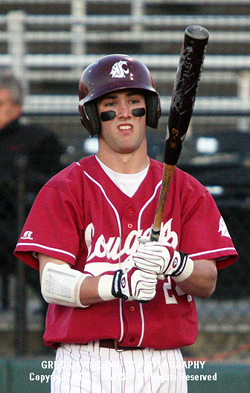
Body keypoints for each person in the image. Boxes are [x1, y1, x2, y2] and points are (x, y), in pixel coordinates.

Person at [14, 54, 238, 393]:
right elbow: (53, 283)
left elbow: (207, 281)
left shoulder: (187, 190)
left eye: (134, 101)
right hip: (85, 365)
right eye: (111, 102)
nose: (124, 112)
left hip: (163, 365)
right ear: (91, 115)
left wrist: (176, 264)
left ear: (149, 110)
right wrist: (116, 284)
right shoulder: (64, 188)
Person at [0, 70, 64, 309]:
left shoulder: (39, 139)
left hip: (22, 225)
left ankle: (52, 311)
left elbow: (50, 185)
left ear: (16, 108)